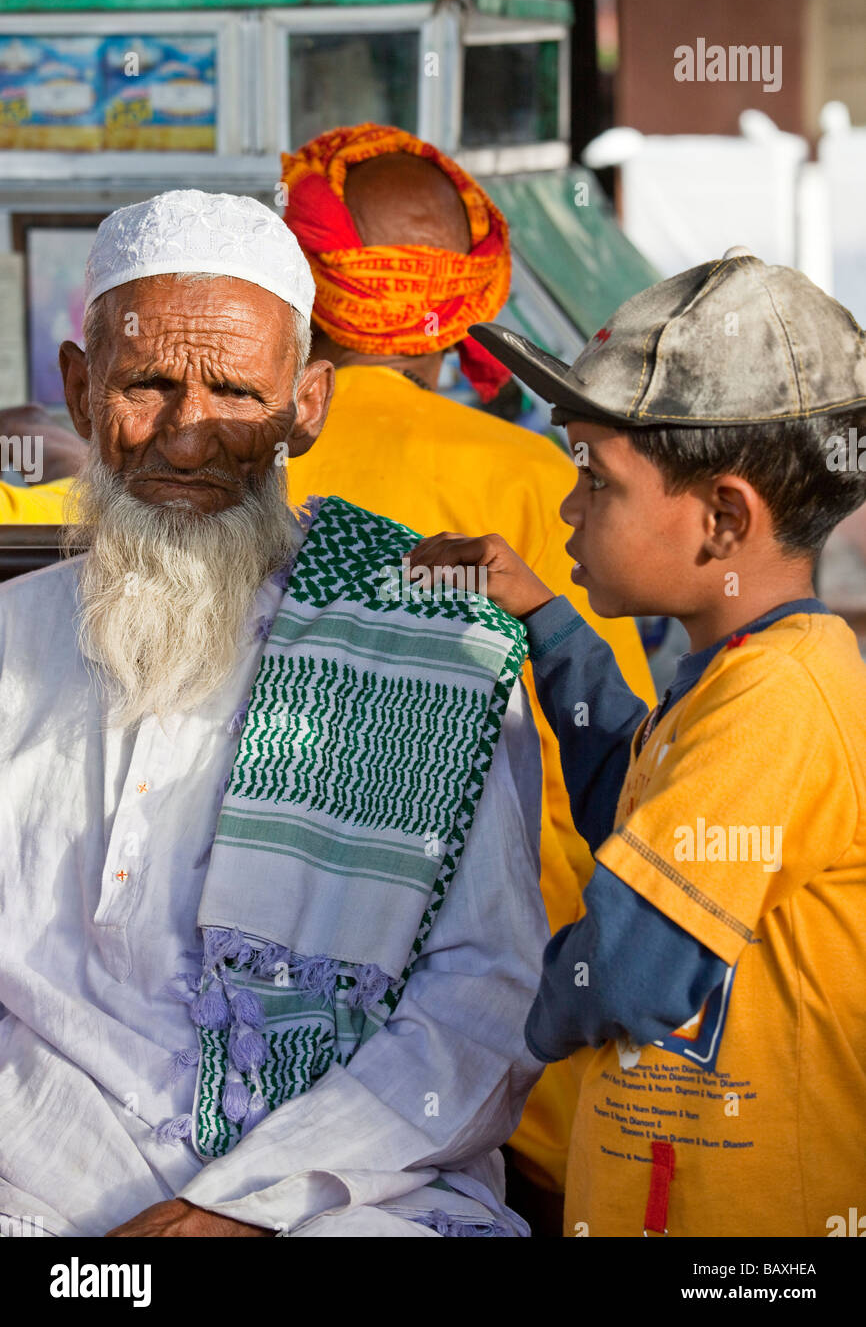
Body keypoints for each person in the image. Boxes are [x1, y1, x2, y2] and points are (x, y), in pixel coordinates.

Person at [0, 189, 550, 1239]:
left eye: (235, 393)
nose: (190, 438)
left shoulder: (430, 650)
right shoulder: (8, 646)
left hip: (353, 1189)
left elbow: (484, 997)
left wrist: (238, 1209)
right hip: (38, 1167)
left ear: (307, 404)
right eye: (148, 384)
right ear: (78, 389)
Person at [408, 246, 866, 1236]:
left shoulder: (777, 699)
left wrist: (475, 1018)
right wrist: (537, 613)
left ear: (720, 518)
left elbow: (631, 966)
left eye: (595, 482)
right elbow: (627, 786)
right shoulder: (731, 679)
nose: (566, 507)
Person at [280, 123, 656, 1216]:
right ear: (464, 298)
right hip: (506, 1048)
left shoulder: (228, 459)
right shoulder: (540, 478)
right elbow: (610, 766)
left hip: (267, 1013)